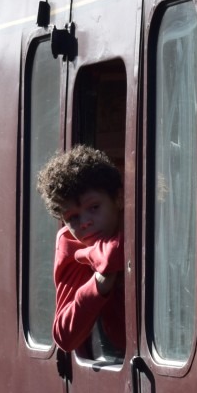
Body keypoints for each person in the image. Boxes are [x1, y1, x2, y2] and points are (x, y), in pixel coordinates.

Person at [34, 144, 125, 356]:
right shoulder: (68, 241)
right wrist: (98, 284)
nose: (84, 222)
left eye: (94, 208)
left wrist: (91, 255)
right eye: (72, 217)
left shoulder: (138, 216)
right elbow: (65, 336)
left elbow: (115, 254)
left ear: (118, 199)